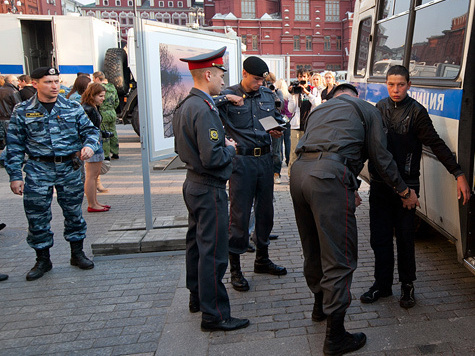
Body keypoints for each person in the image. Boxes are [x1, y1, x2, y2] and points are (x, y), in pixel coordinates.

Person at [289, 83, 420, 355]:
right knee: (339, 255)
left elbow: (309, 145)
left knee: (312, 247)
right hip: (329, 177)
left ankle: (319, 307)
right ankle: (335, 336)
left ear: (335, 97)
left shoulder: (318, 109)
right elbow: (381, 159)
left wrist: (345, 186)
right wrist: (404, 190)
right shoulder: (366, 110)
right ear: (355, 97)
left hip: (298, 174)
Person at [360, 65, 471, 308]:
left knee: (406, 239)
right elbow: (366, 147)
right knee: (379, 239)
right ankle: (382, 284)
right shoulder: (379, 109)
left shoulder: (417, 112)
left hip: (407, 188)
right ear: (385, 85)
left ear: (409, 85)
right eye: (391, 84)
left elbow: (437, 144)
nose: (396, 89)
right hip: (380, 186)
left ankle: (407, 286)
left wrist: (459, 174)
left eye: (401, 84)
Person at [172, 47, 249, 332]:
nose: (221, 81)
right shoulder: (203, 110)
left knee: (195, 246)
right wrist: (229, 149)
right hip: (208, 187)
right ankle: (214, 314)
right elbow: (213, 157)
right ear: (207, 74)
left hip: (193, 184)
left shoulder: (187, 104)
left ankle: (197, 298)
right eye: (219, 75)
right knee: (214, 253)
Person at [5, 66, 100, 281]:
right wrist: (15, 176)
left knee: (74, 212)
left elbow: (91, 131)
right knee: (37, 215)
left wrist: (90, 146)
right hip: (39, 169)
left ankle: (77, 254)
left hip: (69, 168)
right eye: (48, 82)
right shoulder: (22, 110)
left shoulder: (72, 107)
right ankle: (43, 260)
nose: (55, 86)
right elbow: (14, 145)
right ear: (35, 83)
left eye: (57, 81)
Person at [217, 56, 287, 293]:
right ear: (244, 73)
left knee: (266, 210)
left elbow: (273, 118)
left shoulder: (267, 94)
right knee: (239, 214)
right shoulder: (228, 94)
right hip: (242, 162)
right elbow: (203, 105)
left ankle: (262, 259)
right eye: (256, 79)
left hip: (265, 159)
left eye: (262, 80)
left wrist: (276, 127)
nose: (260, 84)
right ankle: (235, 269)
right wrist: (226, 98)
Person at [81, 83, 111, 213]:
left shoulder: (93, 107)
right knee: (92, 176)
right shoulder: (88, 109)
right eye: (100, 96)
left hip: (96, 143)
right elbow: (89, 129)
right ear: (92, 95)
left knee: (95, 175)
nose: (103, 99)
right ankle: (92, 204)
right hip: (93, 145)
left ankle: (95, 202)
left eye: (103, 96)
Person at [287, 68, 320, 171]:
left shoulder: (313, 90)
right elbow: (291, 109)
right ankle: (291, 175)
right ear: (297, 78)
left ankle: (305, 173)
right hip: (296, 126)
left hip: (309, 126)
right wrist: (292, 95)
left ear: (308, 78)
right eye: (300, 77)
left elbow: (317, 104)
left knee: (308, 152)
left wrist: (307, 93)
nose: (302, 79)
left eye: (304, 77)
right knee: (294, 152)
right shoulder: (295, 90)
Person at [93, 71, 119, 160]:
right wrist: (111, 108)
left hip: (103, 113)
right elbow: (117, 101)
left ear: (97, 79)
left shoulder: (99, 88)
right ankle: (115, 152)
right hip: (112, 112)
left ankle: (106, 154)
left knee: (105, 134)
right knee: (113, 132)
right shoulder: (112, 87)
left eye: (93, 79)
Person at [264, 72, 285, 184]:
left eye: (271, 82)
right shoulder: (260, 92)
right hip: (264, 122)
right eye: (267, 82)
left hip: (275, 122)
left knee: (277, 151)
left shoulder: (277, 92)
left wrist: (273, 93)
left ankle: (277, 173)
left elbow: (280, 106)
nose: (269, 84)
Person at [0, 75, 21, 166]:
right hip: (9, 117)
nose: (18, 82)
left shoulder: (2, 89)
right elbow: (18, 105)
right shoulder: (13, 91)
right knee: (12, 139)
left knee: (6, 139)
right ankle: (3, 158)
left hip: (2, 118)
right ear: (11, 81)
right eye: (16, 80)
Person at [275, 79, 292, 167]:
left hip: (280, 119)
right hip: (288, 118)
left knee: (279, 141)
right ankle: (288, 159)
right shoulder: (288, 95)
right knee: (288, 140)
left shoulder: (276, 95)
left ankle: (280, 159)